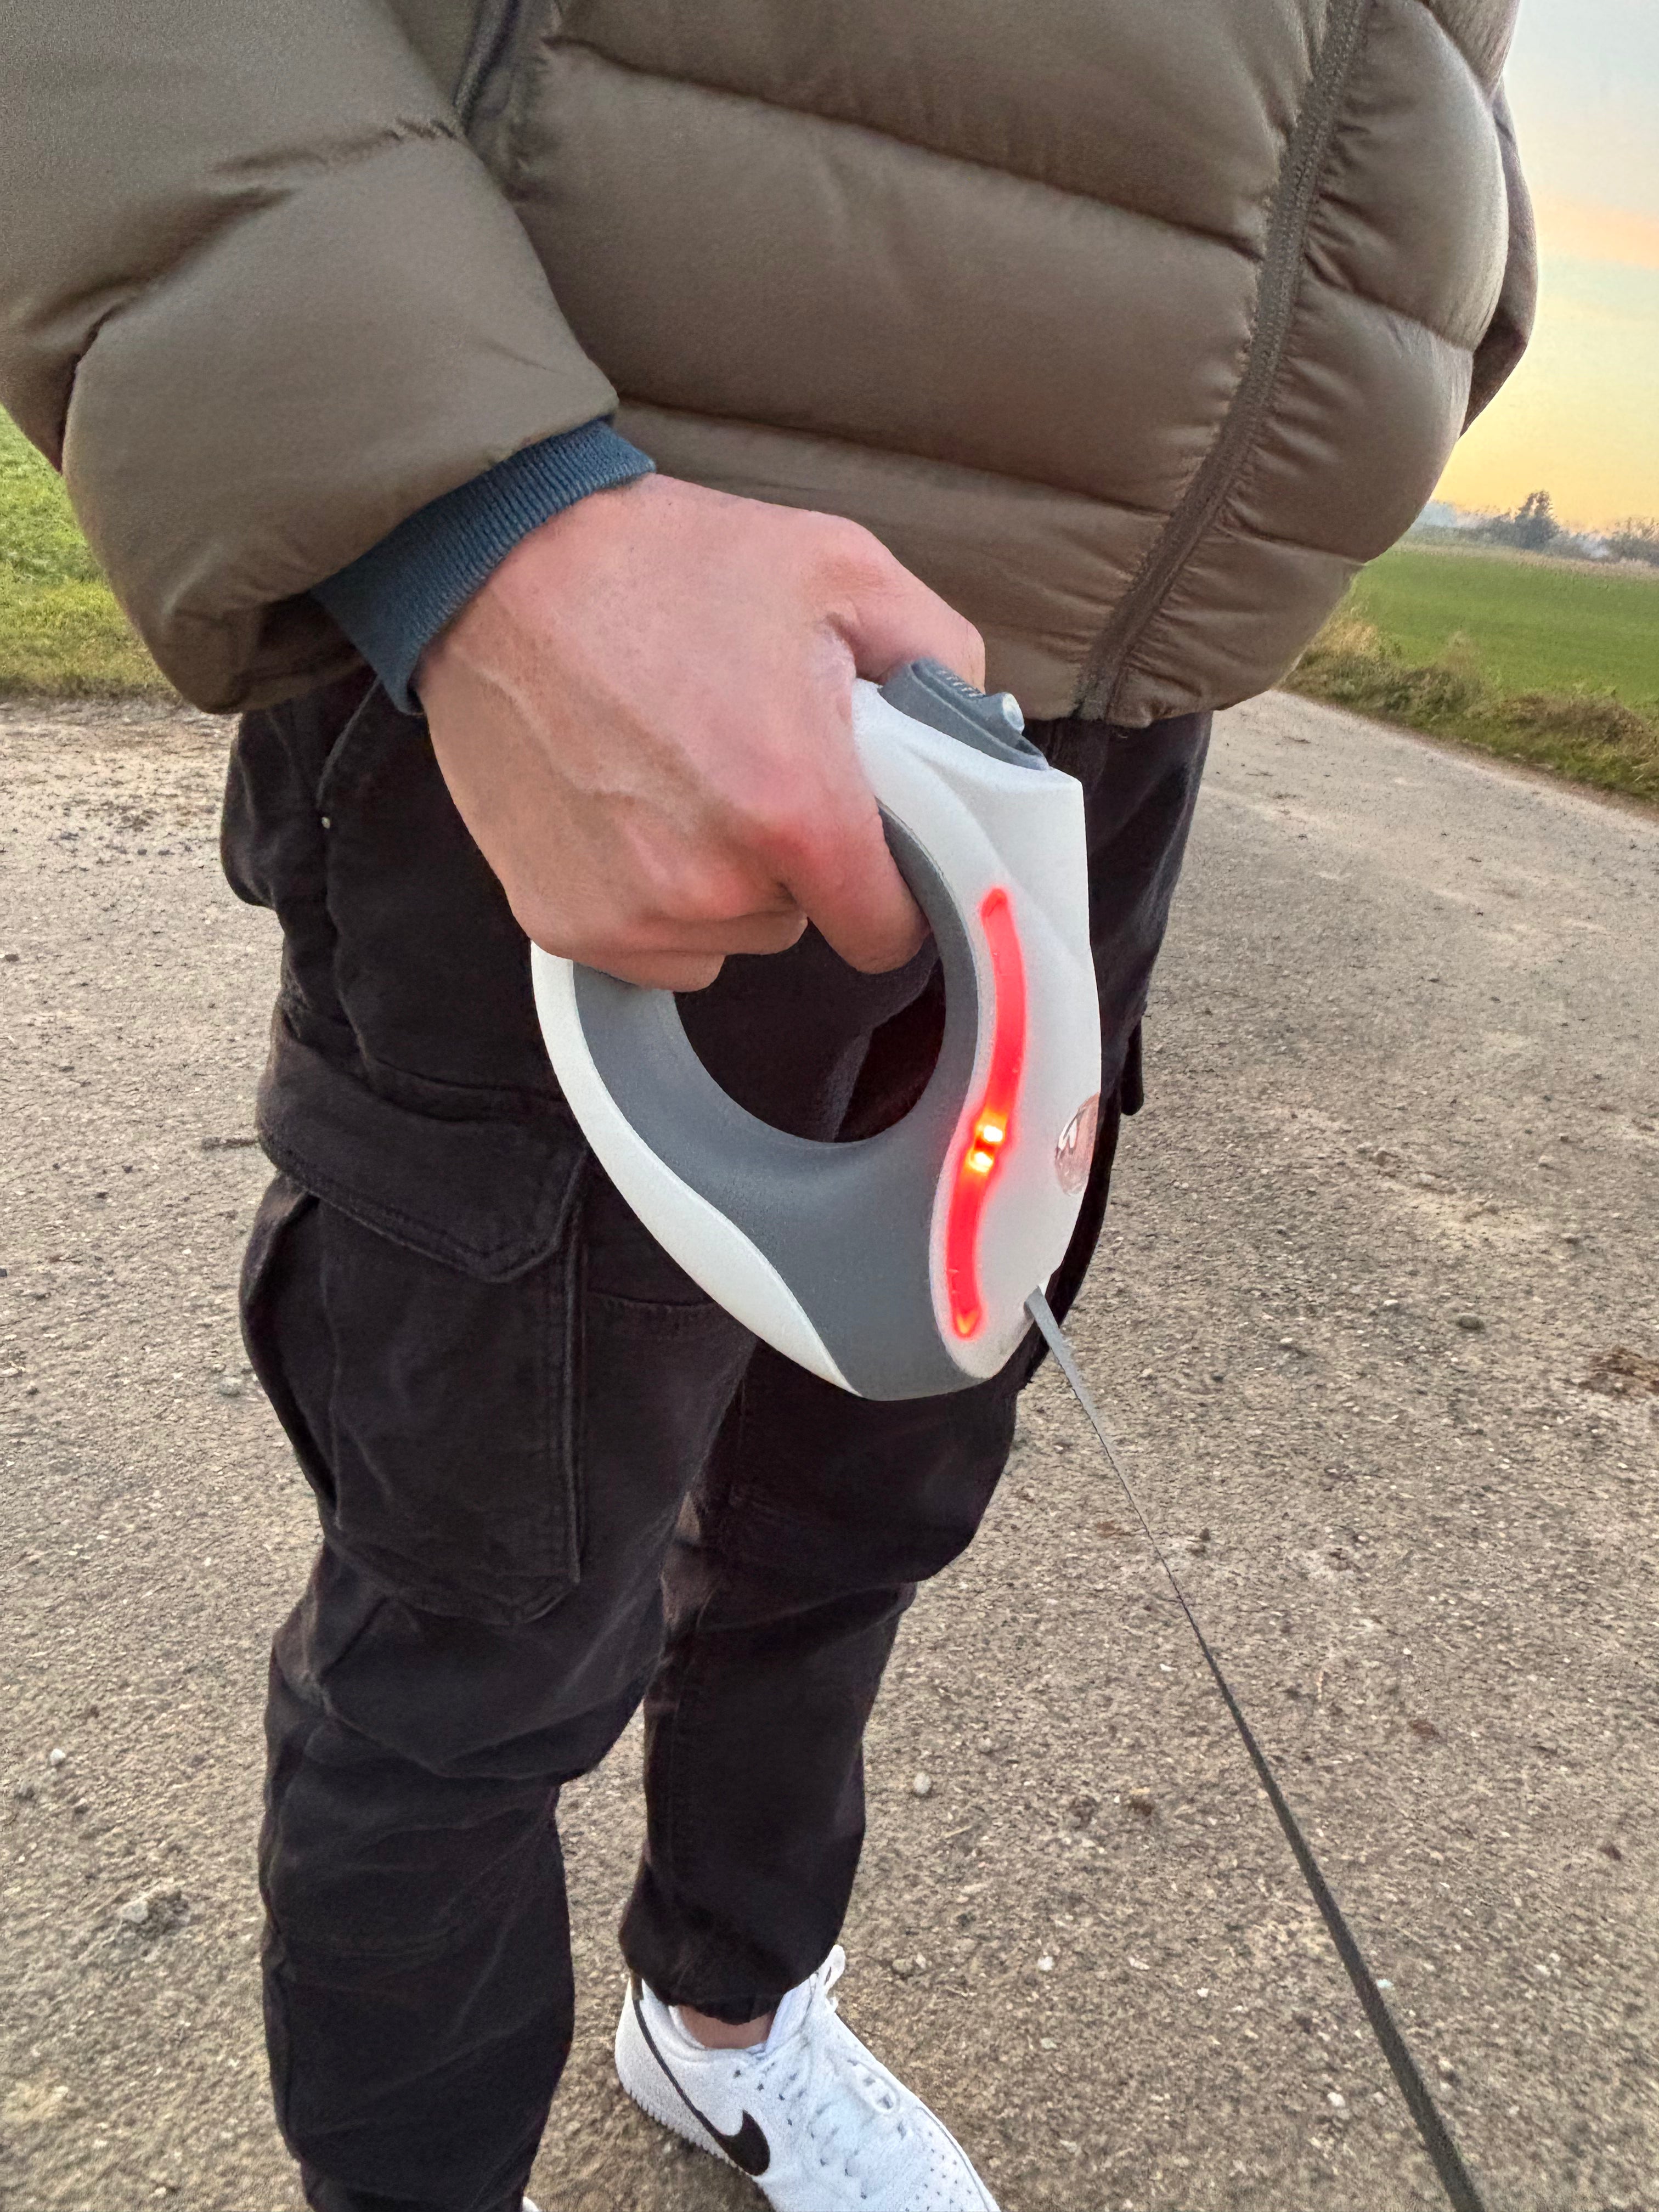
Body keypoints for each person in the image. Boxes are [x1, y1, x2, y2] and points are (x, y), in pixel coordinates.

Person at [1, 5, 1533, 2209]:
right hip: (627, 632)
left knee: (867, 1489)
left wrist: (1440, 272)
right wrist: (470, 522)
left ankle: (725, 2015)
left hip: (1096, 730)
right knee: (484, 1620)